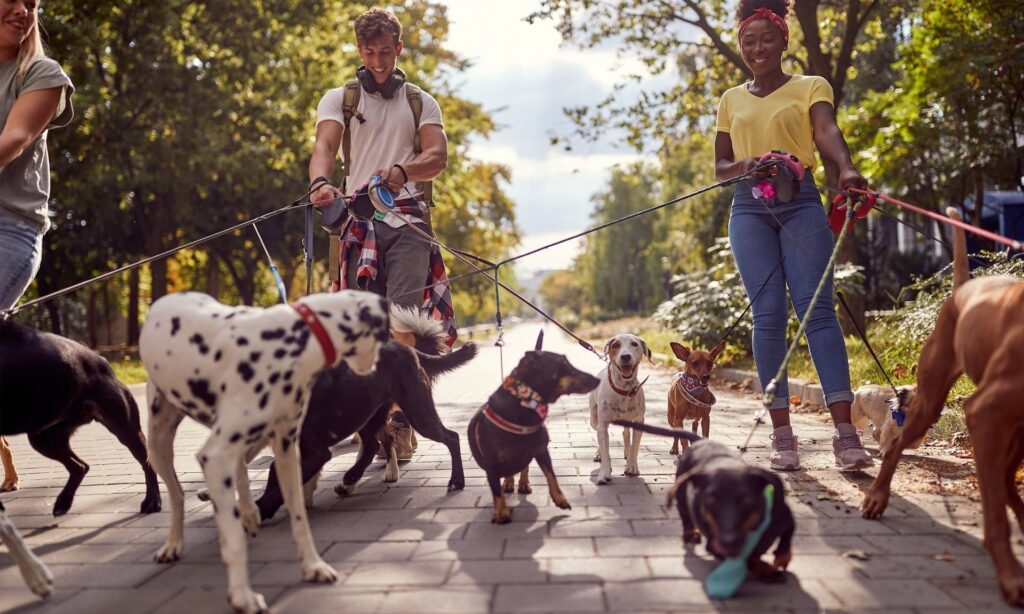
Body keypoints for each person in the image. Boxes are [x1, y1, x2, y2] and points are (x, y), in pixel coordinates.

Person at [714, 0, 872, 472]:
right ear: (741, 46)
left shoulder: (810, 86)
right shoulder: (729, 99)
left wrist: (845, 169)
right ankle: (782, 437)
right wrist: (751, 163)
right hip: (750, 209)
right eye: (749, 41)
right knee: (767, 317)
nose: (758, 48)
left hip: (802, 203)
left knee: (817, 311)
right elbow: (721, 168)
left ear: (784, 39)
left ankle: (845, 437)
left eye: (766, 38)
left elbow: (825, 129)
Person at [308, 7, 450, 347]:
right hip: (358, 222)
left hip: (409, 223)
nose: (379, 61)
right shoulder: (340, 99)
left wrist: (404, 171)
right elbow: (324, 148)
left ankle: (402, 398)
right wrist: (319, 183)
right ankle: (370, 400)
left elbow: (438, 156)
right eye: (370, 53)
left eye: (386, 51)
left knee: (404, 320)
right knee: (363, 325)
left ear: (398, 48)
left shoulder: (421, 102)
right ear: (360, 50)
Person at [0, 0, 74, 312]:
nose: (23, 10)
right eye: (12, 0)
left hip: (9, 229)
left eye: (31, 5)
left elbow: (15, 138)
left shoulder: (42, 73)